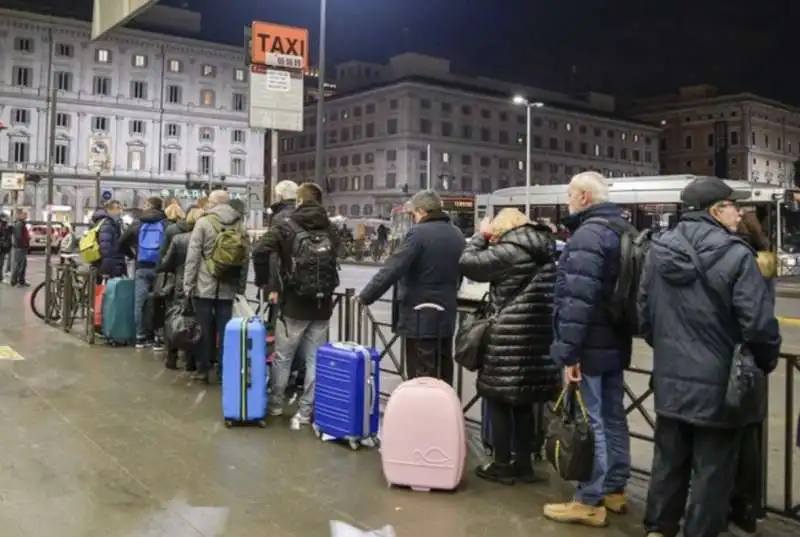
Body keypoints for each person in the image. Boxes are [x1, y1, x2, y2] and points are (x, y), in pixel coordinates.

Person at [639, 177, 781, 537]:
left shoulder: (657, 251)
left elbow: (645, 318)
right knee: (712, 474)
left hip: (671, 382)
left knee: (668, 463)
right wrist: (764, 361)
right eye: (735, 206)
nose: (739, 214)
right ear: (716, 210)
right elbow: (759, 327)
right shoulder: (737, 255)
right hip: (720, 389)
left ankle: (658, 529)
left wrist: (673, 355)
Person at [544, 171, 633, 527]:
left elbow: (577, 300)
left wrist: (570, 354)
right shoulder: (623, 230)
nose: (567, 199)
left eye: (569, 193)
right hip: (615, 338)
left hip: (592, 343)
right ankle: (614, 488)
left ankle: (589, 498)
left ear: (583, 197)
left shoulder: (588, 236)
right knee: (613, 415)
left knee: (591, 419)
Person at [458, 208, 561, 485]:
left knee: (499, 399)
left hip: (507, 335)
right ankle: (524, 464)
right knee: (524, 402)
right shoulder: (546, 249)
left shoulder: (510, 251)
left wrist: (482, 235)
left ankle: (502, 464)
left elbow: (468, 263)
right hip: (537, 336)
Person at [359, 190, 466, 385]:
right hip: (446, 315)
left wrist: (366, 295)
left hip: (420, 316)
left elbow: (394, 267)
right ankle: (444, 411)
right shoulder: (457, 234)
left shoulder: (418, 233)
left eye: (414, 214)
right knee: (442, 370)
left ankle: (423, 414)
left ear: (422, 211)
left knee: (421, 374)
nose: (414, 219)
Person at [256, 183, 340, 429]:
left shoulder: (286, 226)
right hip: (322, 302)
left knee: (283, 355)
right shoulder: (331, 228)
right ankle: (306, 412)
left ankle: (276, 404)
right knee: (315, 359)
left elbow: (260, 250)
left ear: (299, 201)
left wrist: (266, 281)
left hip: (293, 302)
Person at [183, 190, 249, 384]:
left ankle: (203, 369)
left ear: (213, 203)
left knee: (204, 329)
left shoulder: (203, 222)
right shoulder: (239, 225)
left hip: (204, 285)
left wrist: (188, 283)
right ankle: (224, 370)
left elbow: (193, 256)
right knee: (226, 330)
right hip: (228, 286)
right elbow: (245, 258)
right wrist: (241, 286)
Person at [158, 207, 204, 371]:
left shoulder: (178, 239)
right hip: (202, 284)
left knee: (175, 318)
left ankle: (171, 357)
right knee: (196, 321)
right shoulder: (207, 238)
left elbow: (165, 263)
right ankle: (191, 362)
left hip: (180, 283)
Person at [120, 197, 168, 349]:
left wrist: (133, 254)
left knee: (140, 303)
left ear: (148, 206)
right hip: (160, 268)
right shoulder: (165, 223)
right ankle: (157, 338)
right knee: (159, 302)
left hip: (141, 266)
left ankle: (140, 337)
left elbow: (121, 242)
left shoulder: (138, 223)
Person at [93, 201, 127, 280]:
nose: (120, 211)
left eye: (120, 208)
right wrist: (109, 267)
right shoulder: (107, 224)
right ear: (109, 210)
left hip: (115, 261)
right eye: (118, 208)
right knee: (111, 288)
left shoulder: (115, 223)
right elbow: (105, 247)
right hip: (112, 263)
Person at [10, 211, 30, 287]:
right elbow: (19, 237)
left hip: (22, 247)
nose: (26, 216)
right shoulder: (19, 224)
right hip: (20, 247)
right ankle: (14, 281)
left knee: (23, 265)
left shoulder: (22, 224)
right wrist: (25, 242)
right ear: (19, 216)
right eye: (24, 215)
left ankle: (21, 281)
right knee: (18, 265)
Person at [0, 215, 12, 284]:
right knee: (1, 263)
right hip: (2, 248)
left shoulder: (5, 229)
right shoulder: (2, 229)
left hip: (3, 249)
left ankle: (1, 277)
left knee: (1, 264)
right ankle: (0, 277)